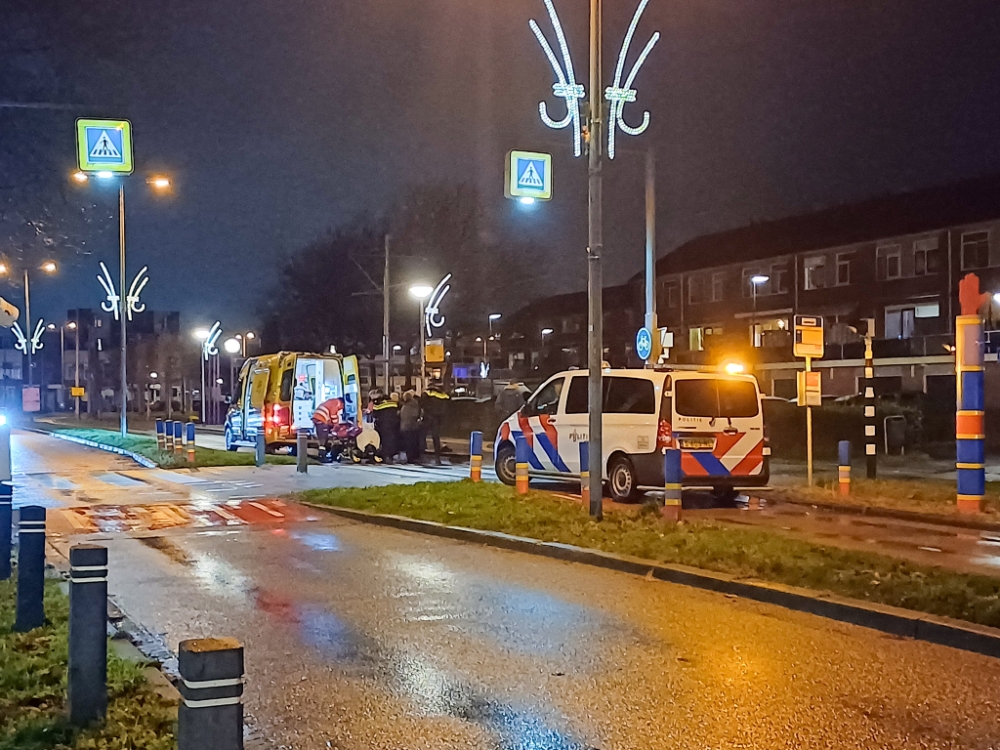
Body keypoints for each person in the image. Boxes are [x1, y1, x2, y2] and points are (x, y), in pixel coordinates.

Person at [419, 380, 450, 465]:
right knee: (436, 438)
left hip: (428, 417)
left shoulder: (427, 393)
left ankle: (421, 456)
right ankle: (437, 458)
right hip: (437, 419)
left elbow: (421, 404)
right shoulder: (444, 396)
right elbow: (446, 409)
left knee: (422, 436)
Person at [371, 390, 400, 463]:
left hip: (383, 425)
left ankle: (385, 456)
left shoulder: (379, 405)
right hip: (394, 425)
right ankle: (391, 455)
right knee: (392, 440)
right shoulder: (394, 404)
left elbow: (374, 414)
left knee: (384, 441)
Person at [399, 390, 422, 463]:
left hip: (408, 427)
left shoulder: (408, 405)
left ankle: (411, 458)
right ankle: (413, 457)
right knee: (413, 443)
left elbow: (407, 415)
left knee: (409, 443)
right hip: (412, 427)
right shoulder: (413, 405)